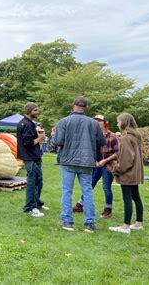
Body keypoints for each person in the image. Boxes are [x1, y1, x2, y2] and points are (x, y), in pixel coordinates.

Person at [52, 97, 105, 232]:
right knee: (87, 191)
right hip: (87, 161)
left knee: (67, 191)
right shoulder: (93, 123)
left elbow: (58, 141)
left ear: (73, 105)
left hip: (68, 160)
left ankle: (67, 221)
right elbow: (101, 141)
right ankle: (89, 223)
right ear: (86, 107)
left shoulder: (64, 121)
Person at [100, 113, 144, 235]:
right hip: (135, 173)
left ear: (124, 122)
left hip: (128, 174)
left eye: (118, 122)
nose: (117, 124)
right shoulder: (135, 136)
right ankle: (138, 223)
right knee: (136, 197)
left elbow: (126, 160)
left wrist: (115, 169)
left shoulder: (126, 138)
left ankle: (125, 227)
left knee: (128, 199)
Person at [73, 115, 118, 219]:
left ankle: (108, 209)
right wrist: (95, 161)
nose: (97, 122)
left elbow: (117, 153)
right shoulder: (92, 135)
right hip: (96, 164)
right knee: (89, 185)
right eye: (95, 120)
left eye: (99, 120)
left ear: (105, 122)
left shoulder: (113, 136)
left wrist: (105, 161)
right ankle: (80, 205)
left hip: (108, 165)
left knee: (106, 187)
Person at [17, 102, 47, 218]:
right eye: (35, 110)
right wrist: (40, 138)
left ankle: (37, 203)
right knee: (32, 182)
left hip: (34, 156)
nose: (37, 112)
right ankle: (29, 207)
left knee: (39, 180)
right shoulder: (26, 124)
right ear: (29, 111)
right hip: (29, 157)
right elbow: (28, 143)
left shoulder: (30, 124)